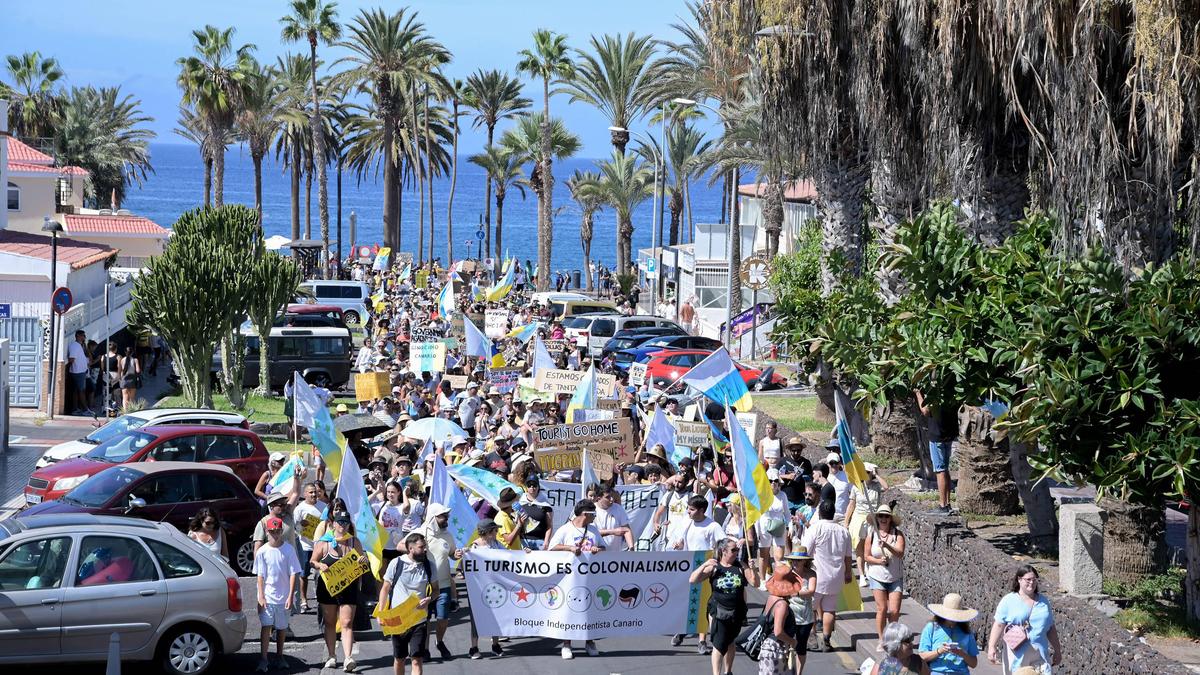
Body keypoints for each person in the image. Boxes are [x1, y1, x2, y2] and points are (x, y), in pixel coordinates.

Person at [689, 538, 759, 675]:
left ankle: (728, 671)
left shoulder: (741, 566)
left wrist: (753, 569)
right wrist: (704, 565)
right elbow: (693, 579)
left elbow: (755, 583)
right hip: (718, 610)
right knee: (719, 643)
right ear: (723, 551)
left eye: (737, 549)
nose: (737, 552)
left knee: (730, 640)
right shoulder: (714, 567)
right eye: (733, 550)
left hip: (737, 611)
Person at [548, 500, 606, 659]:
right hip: (570, 579)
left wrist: (597, 549)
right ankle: (567, 645)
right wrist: (570, 548)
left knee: (590, 611)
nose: (595, 517)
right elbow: (552, 548)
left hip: (590, 579)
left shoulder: (594, 530)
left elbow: (604, 547)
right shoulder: (565, 530)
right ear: (585, 514)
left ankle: (589, 642)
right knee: (569, 612)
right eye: (593, 514)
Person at [668, 494, 726, 651]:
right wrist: (679, 545)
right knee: (686, 602)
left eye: (691, 509)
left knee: (703, 604)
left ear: (701, 511)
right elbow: (683, 543)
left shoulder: (713, 526)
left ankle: (702, 640)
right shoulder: (687, 523)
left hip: (706, 569)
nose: (688, 512)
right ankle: (682, 631)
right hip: (688, 568)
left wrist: (716, 561)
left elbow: (723, 544)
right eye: (688, 508)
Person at [311, 512, 363, 672]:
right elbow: (312, 561)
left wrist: (363, 560)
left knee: (347, 622)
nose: (342, 525)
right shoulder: (324, 542)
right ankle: (332, 655)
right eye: (340, 522)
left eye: (346, 522)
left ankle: (348, 658)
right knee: (329, 622)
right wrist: (320, 566)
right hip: (328, 587)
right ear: (333, 524)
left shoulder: (354, 541)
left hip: (348, 586)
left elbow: (362, 559)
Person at [380, 531, 437, 675]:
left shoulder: (429, 565)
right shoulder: (396, 563)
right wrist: (381, 613)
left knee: (417, 659)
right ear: (410, 548)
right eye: (421, 547)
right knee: (400, 658)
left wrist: (430, 598)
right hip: (398, 619)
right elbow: (385, 588)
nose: (425, 549)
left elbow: (436, 590)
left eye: (425, 546)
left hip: (419, 619)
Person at [799, 499, 852, 652]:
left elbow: (805, 552)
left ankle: (812, 637)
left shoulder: (815, 529)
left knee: (811, 608)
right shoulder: (843, 531)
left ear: (820, 513)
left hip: (817, 575)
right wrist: (848, 572)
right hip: (836, 576)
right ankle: (827, 640)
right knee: (829, 609)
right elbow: (848, 556)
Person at [987, 565, 1061, 674]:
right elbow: (999, 625)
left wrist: (1057, 650)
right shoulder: (1008, 601)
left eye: (1034, 579)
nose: (1032, 582)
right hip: (1017, 655)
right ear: (1019, 580)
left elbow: (1050, 628)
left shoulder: (1044, 602)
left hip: (1040, 655)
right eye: (1028, 579)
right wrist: (991, 647)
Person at [411, 504, 461, 661]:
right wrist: (417, 551)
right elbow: (402, 545)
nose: (446, 519)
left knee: (442, 618)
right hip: (424, 586)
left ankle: (439, 642)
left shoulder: (448, 535)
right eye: (443, 516)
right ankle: (424, 649)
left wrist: (456, 554)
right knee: (424, 620)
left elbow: (452, 553)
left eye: (446, 515)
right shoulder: (420, 533)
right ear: (433, 518)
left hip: (444, 585)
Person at [253, 516, 302, 673]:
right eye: (272, 531)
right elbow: (260, 575)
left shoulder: (288, 549)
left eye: (278, 531)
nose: (275, 534)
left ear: (282, 531)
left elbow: (294, 573)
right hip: (268, 596)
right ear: (267, 532)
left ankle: (280, 656)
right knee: (266, 626)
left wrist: (290, 596)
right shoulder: (262, 551)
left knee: (281, 627)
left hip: (284, 596)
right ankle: (264, 658)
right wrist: (261, 596)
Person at [863, 504, 906, 641]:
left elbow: (900, 553)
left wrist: (887, 545)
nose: (883, 519)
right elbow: (866, 556)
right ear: (877, 518)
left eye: (886, 516)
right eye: (880, 516)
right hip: (877, 576)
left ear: (890, 519)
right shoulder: (872, 535)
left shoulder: (898, 535)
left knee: (894, 611)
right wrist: (878, 561)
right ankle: (882, 639)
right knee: (882, 609)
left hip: (895, 577)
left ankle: (892, 638)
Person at [467, 519, 507, 658]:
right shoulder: (474, 547)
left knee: (495, 616)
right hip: (478, 588)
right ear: (488, 532)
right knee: (476, 617)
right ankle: (474, 648)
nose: (497, 532)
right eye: (495, 530)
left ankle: (495, 645)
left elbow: (510, 556)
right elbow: (465, 566)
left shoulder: (496, 544)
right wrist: (465, 554)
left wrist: (524, 553)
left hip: (494, 587)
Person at [915, 390, 958, 516]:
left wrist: (918, 394)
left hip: (937, 435)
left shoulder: (935, 394)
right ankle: (947, 503)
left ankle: (943, 505)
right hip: (948, 434)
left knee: (940, 470)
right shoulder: (951, 392)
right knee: (945, 469)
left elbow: (926, 411)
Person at [847, 462, 888, 586]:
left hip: (873, 518)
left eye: (868, 472)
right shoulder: (856, 486)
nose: (866, 474)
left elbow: (886, 487)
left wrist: (876, 474)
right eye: (864, 471)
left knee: (870, 546)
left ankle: (869, 570)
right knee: (860, 547)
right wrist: (846, 522)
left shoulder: (876, 486)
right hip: (859, 518)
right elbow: (851, 505)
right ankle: (862, 574)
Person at [919, 593, 980, 674]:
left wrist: (962, 654)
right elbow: (922, 656)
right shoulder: (931, 628)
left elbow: (974, 664)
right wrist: (939, 651)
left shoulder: (966, 632)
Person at [759, 562, 801, 675]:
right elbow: (778, 632)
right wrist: (793, 641)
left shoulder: (772, 598)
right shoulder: (782, 605)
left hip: (769, 648)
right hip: (776, 649)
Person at [756, 468, 792, 588]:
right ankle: (762, 580)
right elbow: (757, 513)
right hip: (764, 525)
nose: (773, 483)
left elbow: (787, 513)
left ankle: (778, 580)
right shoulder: (761, 494)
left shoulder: (783, 495)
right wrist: (756, 530)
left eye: (775, 480)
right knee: (764, 554)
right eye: (770, 480)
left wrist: (790, 525)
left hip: (778, 525)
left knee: (779, 556)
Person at [784, 550, 819, 675]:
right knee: (786, 644)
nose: (795, 562)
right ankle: (786, 670)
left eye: (798, 560)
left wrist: (796, 592)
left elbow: (811, 591)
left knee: (801, 647)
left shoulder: (811, 574)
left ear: (805, 561)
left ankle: (798, 673)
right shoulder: (787, 573)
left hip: (805, 617)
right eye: (792, 560)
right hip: (788, 616)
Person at [293, 482, 326, 613]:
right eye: (310, 492)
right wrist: (302, 525)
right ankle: (303, 600)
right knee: (304, 574)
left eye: (315, 492)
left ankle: (322, 599)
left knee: (321, 573)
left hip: (321, 545)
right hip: (305, 546)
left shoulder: (323, 506)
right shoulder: (299, 509)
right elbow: (295, 528)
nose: (313, 494)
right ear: (305, 494)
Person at [590, 483, 634, 551]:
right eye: (608, 497)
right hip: (596, 555)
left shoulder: (618, 508)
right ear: (599, 498)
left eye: (612, 496)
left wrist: (631, 548)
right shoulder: (591, 510)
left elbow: (627, 530)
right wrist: (613, 531)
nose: (611, 499)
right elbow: (591, 533)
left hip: (615, 555)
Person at [67, 330, 89, 415]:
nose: (84, 337)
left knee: (76, 391)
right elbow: (72, 359)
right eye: (83, 336)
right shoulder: (75, 346)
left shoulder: (80, 345)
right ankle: (85, 409)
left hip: (80, 371)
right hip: (77, 372)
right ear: (78, 336)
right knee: (81, 391)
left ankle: (76, 409)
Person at [117, 344, 141, 411]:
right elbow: (138, 370)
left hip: (124, 380)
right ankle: (131, 411)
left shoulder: (122, 360)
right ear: (132, 352)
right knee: (132, 398)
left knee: (125, 397)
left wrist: (120, 379)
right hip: (132, 380)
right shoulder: (135, 360)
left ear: (125, 352)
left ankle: (125, 411)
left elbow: (119, 371)